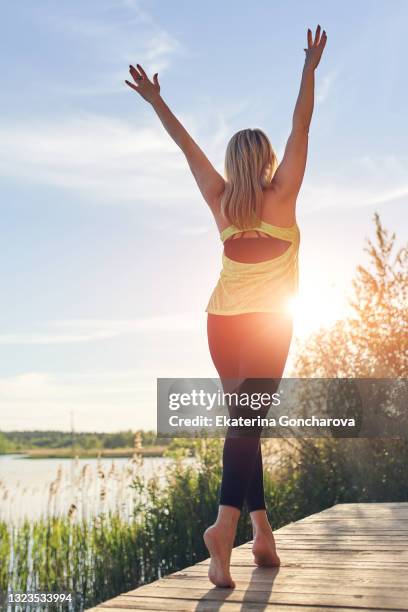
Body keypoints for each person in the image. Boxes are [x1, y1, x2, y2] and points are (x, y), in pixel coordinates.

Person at [125, 25, 327, 588]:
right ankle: (224, 526)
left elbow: (185, 147)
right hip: (267, 327)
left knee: (245, 425)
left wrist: (158, 102)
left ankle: (261, 535)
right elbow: (302, 124)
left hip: (220, 324)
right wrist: (308, 70)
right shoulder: (281, 195)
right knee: (247, 423)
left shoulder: (219, 200)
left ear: (231, 161)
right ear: (264, 159)